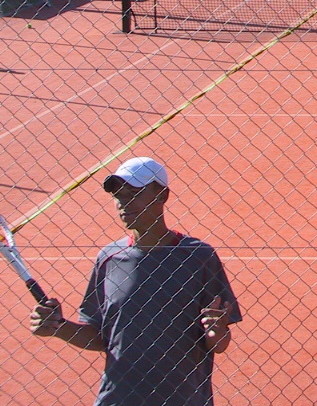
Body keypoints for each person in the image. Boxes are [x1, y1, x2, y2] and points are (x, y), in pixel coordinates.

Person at [30, 157, 242, 406]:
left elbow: (218, 342)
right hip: (118, 399)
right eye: (118, 195)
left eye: (133, 193)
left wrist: (218, 333)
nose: (123, 202)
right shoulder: (109, 259)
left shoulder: (198, 257)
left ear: (162, 195)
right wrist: (58, 327)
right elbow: (101, 337)